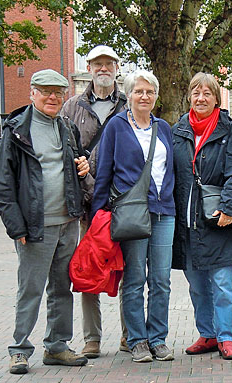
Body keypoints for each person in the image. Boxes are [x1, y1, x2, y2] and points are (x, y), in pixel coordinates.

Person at [0, 69, 90, 374]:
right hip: (35, 225)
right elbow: (2, 184)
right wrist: (16, 226)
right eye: (46, 91)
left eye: (58, 93)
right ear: (32, 93)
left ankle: (57, 346)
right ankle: (19, 349)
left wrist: (83, 165)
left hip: (67, 222)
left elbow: (77, 162)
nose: (52, 97)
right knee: (30, 288)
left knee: (62, 288)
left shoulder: (67, 127)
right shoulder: (17, 130)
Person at [91, 70, 176, 363]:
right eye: (139, 91)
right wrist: (99, 214)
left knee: (161, 279)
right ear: (128, 95)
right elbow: (104, 171)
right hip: (131, 213)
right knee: (135, 278)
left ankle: (158, 339)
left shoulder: (163, 128)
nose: (144, 96)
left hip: (164, 212)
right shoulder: (116, 126)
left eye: (150, 92)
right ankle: (137, 340)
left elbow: (170, 171)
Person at [172, 72, 232, 360]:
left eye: (207, 93)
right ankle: (207, 334)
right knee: (197, 285)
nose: (201, 98)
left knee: (223, 283)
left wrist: (229, 207)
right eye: (196, 93)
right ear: (189, 97)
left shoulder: (229, 130)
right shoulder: (178, 130)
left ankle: (226, 337)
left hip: (218, 219)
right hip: (188, 221)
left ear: (216, 98)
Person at [61, 45, 129, 358]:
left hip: (123, 203)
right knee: (90, 268)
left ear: (116, 68)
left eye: (109, 64)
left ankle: (130, 334)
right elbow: (64, 153)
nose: (103, 69)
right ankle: (92, 338)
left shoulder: (129, 104)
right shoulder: (72, 106)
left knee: (128, 270)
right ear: (89, 68)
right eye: (97, 64)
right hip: (89, 205)